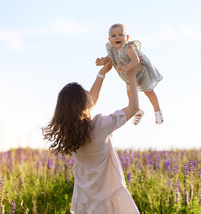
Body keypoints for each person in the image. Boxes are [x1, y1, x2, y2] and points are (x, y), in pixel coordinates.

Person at [42, 60, 142, 214]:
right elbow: (134, 107)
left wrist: (102, 73)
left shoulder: (71, 134)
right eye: (86, 93)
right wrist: (132, 77)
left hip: (85, 202)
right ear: (82, 104)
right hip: (107, 202)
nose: (89, 93)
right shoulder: (100, 125)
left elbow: (91, 102)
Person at [96, 23, 163, 125]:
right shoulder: (113, 50)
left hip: (140, 72)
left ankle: (157, 111)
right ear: (109, 40)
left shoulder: (128, 48)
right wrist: (103, 61)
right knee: (130, 93)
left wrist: (127, 67)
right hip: (129, 76)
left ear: (126, 37)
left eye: (120, 35)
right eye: (113, 36)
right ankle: (138, 111)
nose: (117, 37)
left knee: (148, 91)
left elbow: (135, 60)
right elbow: (108, 58)